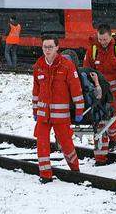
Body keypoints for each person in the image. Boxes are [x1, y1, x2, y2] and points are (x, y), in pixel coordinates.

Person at [32, 35, 84, 183]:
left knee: (66, 144)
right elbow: (36, 91)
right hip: (43, 115)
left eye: (50, 47)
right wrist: (35, 110)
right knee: (42, 144)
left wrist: (79, 110)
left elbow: (76, 89)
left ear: (57, 47)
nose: (47, 50)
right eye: (44, 47)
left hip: (61, 116)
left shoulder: (67, 65)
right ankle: (45, 175)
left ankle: (75, 169)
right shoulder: (39, 66)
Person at [83, 24, 116, 152]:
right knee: (99, 118)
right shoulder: (92, 50)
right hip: (99, 92)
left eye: (105, 39)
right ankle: (100, 146)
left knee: (113, 119)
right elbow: (86, 71)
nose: (102, 42)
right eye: (100, 39)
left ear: (111, 36)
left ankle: (113, 139)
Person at [61, 49, 113, 166]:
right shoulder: (87, 75)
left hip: (73, 114)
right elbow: (101, 95)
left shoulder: (60, 78)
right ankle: (100, 159)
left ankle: (72, 160)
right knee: (101, 126)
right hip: (89, 113)